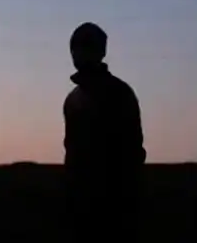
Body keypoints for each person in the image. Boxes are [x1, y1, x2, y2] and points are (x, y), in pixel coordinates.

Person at [63, 22, 147, 243]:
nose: (79, 52)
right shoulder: (72, 100)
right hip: (81, 203)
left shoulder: (119, 94)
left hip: (113, 205)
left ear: (101, 51)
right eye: (76, 46)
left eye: (86, 46)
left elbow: (132, 151)